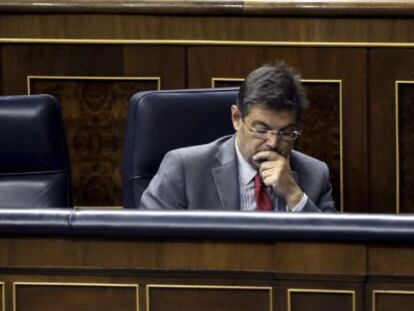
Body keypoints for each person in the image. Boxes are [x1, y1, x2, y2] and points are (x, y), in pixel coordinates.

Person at [140, 62, 336, 212]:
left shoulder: (315, 174)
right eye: (261, 130)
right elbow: (148, 241)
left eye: (286, 132)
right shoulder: (185, 169)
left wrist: (295, 196)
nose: (274, 143)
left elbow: (334, 253)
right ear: (237, 118)